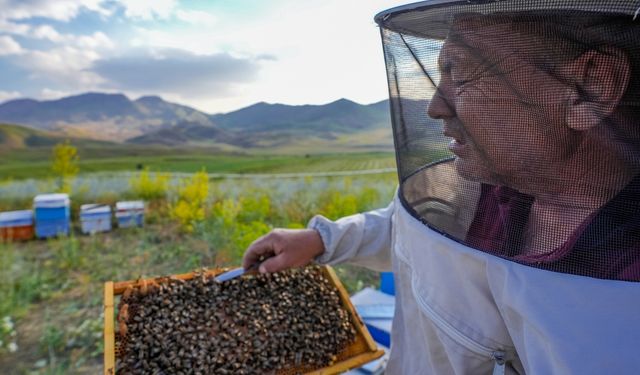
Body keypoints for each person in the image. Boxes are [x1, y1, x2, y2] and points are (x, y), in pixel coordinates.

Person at [243, 1, 640, 373]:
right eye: (440, 75)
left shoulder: (623, 300)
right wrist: (322, 238)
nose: (434, 106)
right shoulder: (483, 183)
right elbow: (414, 230)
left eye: (463, 74)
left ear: (590, 86)